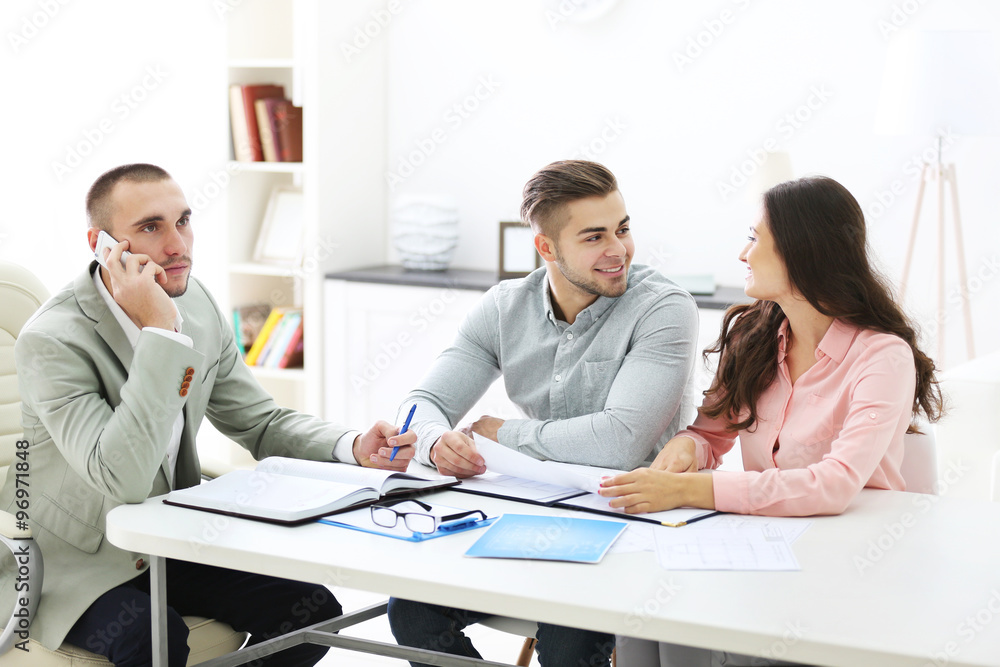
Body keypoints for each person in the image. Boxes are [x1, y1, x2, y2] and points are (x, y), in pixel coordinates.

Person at [0, 163, 417, 667]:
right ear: (101, 244)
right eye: (151, 227)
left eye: (184, 221)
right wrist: (162, 335)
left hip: (168, 541)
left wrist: (352, 445)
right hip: (73, 563)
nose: (178, 245)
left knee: (310, 613)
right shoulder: (54, 341)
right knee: (153, 638)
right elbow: (122, 477)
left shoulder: (194, 304)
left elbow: (259, 421)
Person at [601, 176, 942, 666]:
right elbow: (710, 434)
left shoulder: (882, 357)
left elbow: (834, 485)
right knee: (644, 617)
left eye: (756, 238)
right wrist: (686, 449)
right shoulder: (753, 334)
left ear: (804, 251)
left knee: (728, 642)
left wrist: (689, 491)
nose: (743, 253)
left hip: (850, 561)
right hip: (764, 544)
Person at [386, 159, 700, 667]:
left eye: (622, 229)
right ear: (547, 248)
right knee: (412, 612)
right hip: (528, 514)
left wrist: (501, 436)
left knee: (570, 640)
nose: (618, 250)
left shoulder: (663, 309)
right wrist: (434, 440)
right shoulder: (504, 307)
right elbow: (423, 403)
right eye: (594, 237)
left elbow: (622, 440)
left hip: (625, 524)